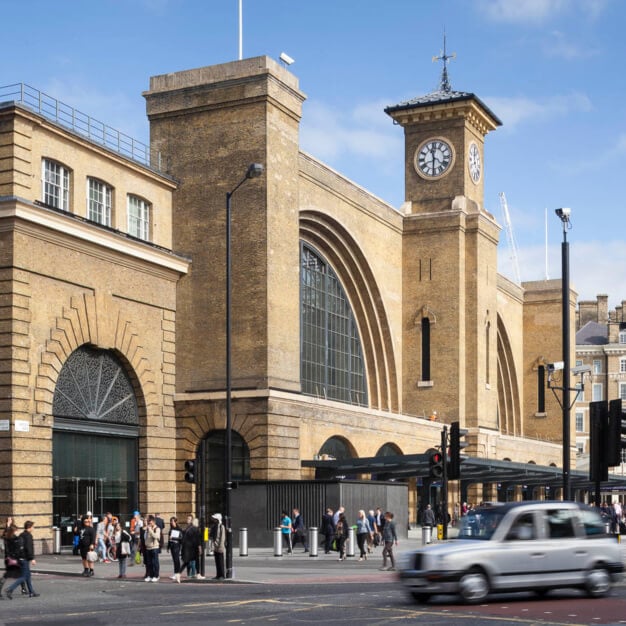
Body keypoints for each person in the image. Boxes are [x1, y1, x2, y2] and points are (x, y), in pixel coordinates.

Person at [4, 520, 38, 599]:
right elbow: (29, 548)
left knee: (27, 575)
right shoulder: (28, 536)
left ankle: (31, 592)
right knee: (24, 576)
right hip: (24, 558)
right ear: (29, 527)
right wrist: (32, 558)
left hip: (19, 558)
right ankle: (10, 589)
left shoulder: (21, 535)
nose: (33, 528)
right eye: (33, 527)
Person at [1, 523, 27, 597]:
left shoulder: (6, 538)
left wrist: (8, 526)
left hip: (8, 559)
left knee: (18, 573)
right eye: (17, 530)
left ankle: (23, 588)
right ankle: (22, 589)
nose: (18, 532)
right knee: (20, 574)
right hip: (13, 559)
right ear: (14, 531)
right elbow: (16, 550)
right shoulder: (15, 539)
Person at [143, 515, 161, 582]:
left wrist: (150, 530)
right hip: (148, 547)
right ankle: (150, 575)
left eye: (150, 522)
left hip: (154, 547)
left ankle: (156, 575)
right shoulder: (148, 529)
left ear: (153, 521)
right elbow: (146, 538)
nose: (149, 524)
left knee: (155, 563)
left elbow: (157, 536)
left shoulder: (157, 528)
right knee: (149, 563)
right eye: (148, 522)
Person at [210, 513, 226, 580]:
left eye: (215, 519)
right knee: (217, 561)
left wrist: (221, 546)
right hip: (215, 546)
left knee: (221, 561)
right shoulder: (214, 526)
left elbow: (222, 538)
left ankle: (222, 575)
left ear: (218, 519)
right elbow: (211, 536)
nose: (214, 520)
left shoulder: (221, 526)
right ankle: (218, 575)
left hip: (220, 547)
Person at [167, 517, 183, 582]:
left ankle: (177, 573)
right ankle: (175, 573)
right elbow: (169, 539)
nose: (171, 523)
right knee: (174, 560)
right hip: (172, 546)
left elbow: (181, 538)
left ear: (175, 522)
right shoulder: (171, 529)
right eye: (171, 521)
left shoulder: (179, 529)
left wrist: (173, 538)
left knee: (177, 560)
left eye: (172, 521)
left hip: (177, 546)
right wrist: (168, 547)